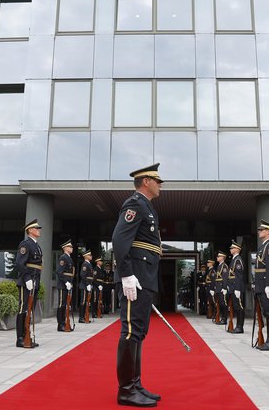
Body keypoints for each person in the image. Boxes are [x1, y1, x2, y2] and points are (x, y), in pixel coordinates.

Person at [112, 163, 163, 407]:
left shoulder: (147, 206)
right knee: (131, 330)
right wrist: (126, 275)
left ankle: (136, 383)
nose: (160, 184)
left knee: (139, 332)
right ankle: (126, 390)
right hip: (136, 274)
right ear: (145, 182)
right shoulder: (135, 203)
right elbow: (119, 239)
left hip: (145, 275)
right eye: (157, 180)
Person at [15, 218, 43, 348]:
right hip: (27, 281)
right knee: (23, 308)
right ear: (30, 230)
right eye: (37, 228)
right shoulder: (25, 244)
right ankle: (20, 338)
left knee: (30, 309)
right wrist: (27, 279)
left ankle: (27, 335)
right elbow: (20, 263)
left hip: (35, 280)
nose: (38, 230)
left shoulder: (37, 245)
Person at [254, 220, 269, 351]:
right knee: (267, 312)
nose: (259, 232)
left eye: (261, 230)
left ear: (268, 232)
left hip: (267, 285)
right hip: (261, 285)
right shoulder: (263, 246)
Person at [56, 239, 75, 332]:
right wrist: (65, 282)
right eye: (70, 246)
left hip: (68, 284)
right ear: (65, 248)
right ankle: (60, 324)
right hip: (63, 284)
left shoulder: (69, 258)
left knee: (66, 305)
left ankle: (64, 322)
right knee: (62, 304)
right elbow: (59, 272)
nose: (72, 248)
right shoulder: (63, 258)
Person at [228, 241, 245, 334]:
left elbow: (239, 276)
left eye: (232, 248)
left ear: (237, 249)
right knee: (236, 307)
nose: (230, 249)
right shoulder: (234, 259)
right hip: (233, 287)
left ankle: (240, 327)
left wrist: (237, 288)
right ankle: (238, 326)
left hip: (236, 287)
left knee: (239, 307)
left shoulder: (238, 260)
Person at [79, 250, 94, 323]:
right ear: (86, 256)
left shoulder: (89, 264)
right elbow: (82, 275)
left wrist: (90, 284)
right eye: (90, 255)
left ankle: (84, 316)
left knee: (87, 302)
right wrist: (87, 284)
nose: (91, 256)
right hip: (84, 285)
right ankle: (81, 317)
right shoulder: (85, 264)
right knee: (83, 301)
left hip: (88, 285)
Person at [214, 251, 229, 326]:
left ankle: (224, 319)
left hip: (222, 287)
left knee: (223, 303)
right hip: (218, 287)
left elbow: (225, 277)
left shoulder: (224, 266)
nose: (217, 257)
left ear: (222, 257)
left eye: (219, 256)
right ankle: (222, 318)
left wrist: (224, 287)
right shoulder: (219, 266)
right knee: (220, 303)